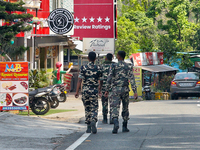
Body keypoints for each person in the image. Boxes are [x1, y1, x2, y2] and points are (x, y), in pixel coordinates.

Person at [105, 51, 138, 134]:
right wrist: (135, 91)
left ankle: (115, 122)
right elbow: (132, 79)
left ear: (119, 57)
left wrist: (106, 90)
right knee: (125, 107)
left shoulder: (113, 66)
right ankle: (125, 126)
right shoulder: (128, 66)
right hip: (125, 89)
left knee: (114, 107)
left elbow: (109, 78)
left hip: (115, 90)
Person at [75, 52, 102, 134]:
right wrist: (99, 90)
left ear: (88, 58)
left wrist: (77, 92)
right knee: (94, 107)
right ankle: (93, 120)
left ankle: (88, 127)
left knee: (87, 108)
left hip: (85, 90)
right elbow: (101, 80)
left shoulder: (83, 67)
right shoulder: (98, 68)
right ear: (95, 59)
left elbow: (80, 80)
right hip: (94, 91)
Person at [99, 53, 115, 124]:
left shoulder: (102, 66)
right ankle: (112, 118)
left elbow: (100, 79)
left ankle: (105, 119)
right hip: (113, 88)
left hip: (104, 87)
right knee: (112, 103)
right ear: (112, 58)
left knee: (104, 103)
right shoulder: (115, 65)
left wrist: (100, 88)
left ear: (106, 58)